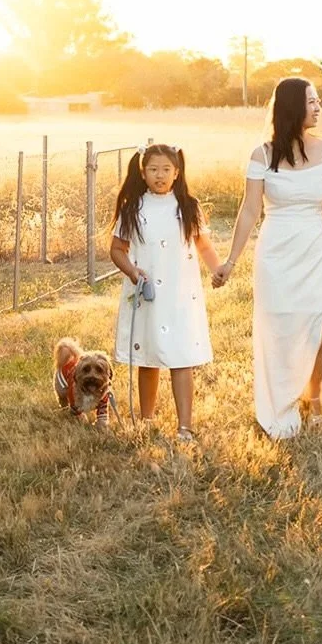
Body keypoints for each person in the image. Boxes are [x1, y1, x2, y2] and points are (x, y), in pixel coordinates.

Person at [212, 77, 322, 439]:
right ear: (293, 107)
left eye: (318, 101)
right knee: (280, 327)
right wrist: (230, 262)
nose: (318, 107)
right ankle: (282, 398)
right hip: (276, 249)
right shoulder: (261, 155)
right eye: (312, 101)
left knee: (320, 327)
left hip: (314, 248)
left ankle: (314, 404)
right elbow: (249, 210)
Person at [109, 144, 220, 441]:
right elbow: (117, 250)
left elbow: (203, 245)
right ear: (143, 173)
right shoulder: (133, 208)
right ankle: (146, 420)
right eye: (153, 169)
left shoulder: (187, 206)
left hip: (181, 292)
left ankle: (185, 426)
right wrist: (132, 272)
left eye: (166, 170)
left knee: (181, 356)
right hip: (147, 292)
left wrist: (217, 269)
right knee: (149, 354)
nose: (160, 175)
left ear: (177, 172)